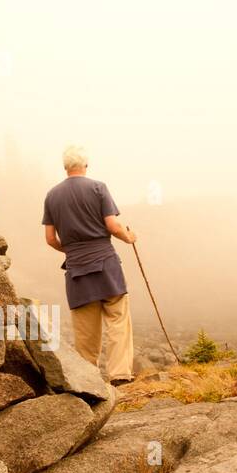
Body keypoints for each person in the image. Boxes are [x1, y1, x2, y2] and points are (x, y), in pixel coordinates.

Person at [42, 145, 136, 384]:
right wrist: (129, 237)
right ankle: (120, 375)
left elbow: (51, 239)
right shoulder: (98, 188)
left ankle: (89, 381)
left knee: (85, 332)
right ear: (86, 165)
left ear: (65, 167)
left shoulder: (52, 196)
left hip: (76, 269)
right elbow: (113, 226)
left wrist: (73, 250)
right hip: (106, 263)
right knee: (117, 319)